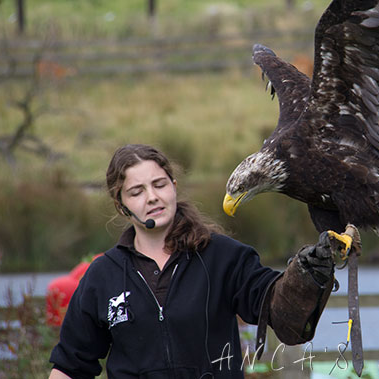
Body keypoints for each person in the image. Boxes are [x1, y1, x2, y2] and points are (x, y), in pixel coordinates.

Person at [49, 144, 336, 378]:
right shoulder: (103, 276)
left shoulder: (223, 257)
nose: (152, 197)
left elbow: (279, 312)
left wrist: (307, 279)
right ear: (121, 205)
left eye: (160, 184)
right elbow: (70, 367)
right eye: (137, 192)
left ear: (173, 186)